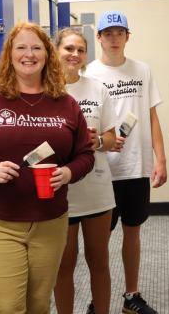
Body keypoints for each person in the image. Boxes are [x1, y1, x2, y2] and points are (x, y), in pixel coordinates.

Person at [0, 22, 95, 314]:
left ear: (47, 55)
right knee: (7, 307)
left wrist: (68, 173)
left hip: (51, 221)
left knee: (39, 305)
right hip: (0, 221)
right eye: (21, 47)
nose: (28, 54)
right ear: (9, 55)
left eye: (36, 47)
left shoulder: (66, 105)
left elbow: (85, 155)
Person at [84, 10, 167, 314]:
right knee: (99, 239)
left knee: (133, 230)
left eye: (120, 33)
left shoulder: (142, 70)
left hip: (135, 166)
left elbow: (152, 116)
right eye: (108, 33)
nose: (114, 39)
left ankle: (132, 296)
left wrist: (161, 159)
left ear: (127, 37)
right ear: (99, 37)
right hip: (101, 168)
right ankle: (98, 296)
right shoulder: (89, 74)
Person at [54, 28, 117, 314]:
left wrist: (98, 141)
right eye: (68, 48)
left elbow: (112, 138)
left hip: (97, 189)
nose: (74, 55)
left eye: (80, 50)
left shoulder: (97, 88)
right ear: (56, 51)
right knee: (64, 264)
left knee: (99, 261)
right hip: (60, 191)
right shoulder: (46, 90)